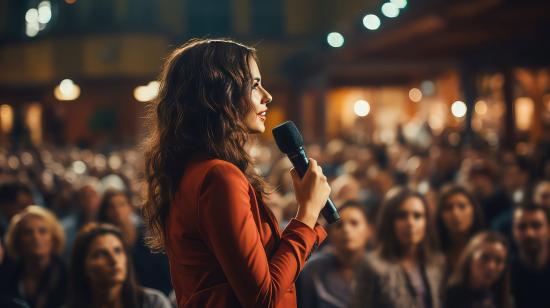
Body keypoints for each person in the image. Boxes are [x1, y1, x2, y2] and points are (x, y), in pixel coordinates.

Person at [141, 38, 330, 308]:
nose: (267, 95)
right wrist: (307, 214)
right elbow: (263, 298)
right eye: (254, 85)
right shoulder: (218, 177)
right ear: (220, 93)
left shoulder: (192, 170)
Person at [353, 187, 445, 308]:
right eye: (402, 216)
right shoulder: (373, 266)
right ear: (389, 221)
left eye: (417, 216)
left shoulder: (436, 262)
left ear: (426, 221)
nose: (410, 223)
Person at [68, 223, 171, 308]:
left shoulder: (153, 302)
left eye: (118, 251)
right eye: (101, 254)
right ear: (83, 265)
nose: (114, 260)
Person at [97, 189, 172, 294]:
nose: (117, 210)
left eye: (121, 204)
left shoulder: (147, 234)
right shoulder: (104, 241)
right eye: (111, 206)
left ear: (129, 207)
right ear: (106, 212)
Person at [298, 201, 370, 308]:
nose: (346, 230)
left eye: (354, 223)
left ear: (368, 230)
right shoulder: (312, 270)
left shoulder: (381, 270)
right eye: (339, 225)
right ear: (330, 233)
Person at [0, 206, 67, 308]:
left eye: (43, 231)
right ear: (18, 240)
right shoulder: (7, 275)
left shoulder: (68, 275)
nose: (36, 237)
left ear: (53, 238)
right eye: (28, 232)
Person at [445, 232, 512, 308]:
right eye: (485, 258)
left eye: (498, 261)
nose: (491, 267)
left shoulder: (502, 300)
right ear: (470, 258)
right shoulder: (447, 296)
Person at [435, 185, 484, 273]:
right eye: (448, 208)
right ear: (440, 215)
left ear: (473, 210)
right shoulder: (433, 251)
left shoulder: (485, 248)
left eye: (462, 206)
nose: (455, 214)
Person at [510, 202, 550, 308]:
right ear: (513, 231)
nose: (529, 233)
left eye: (536, 226)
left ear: (548, 230)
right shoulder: (505, 272)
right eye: (522, 227)